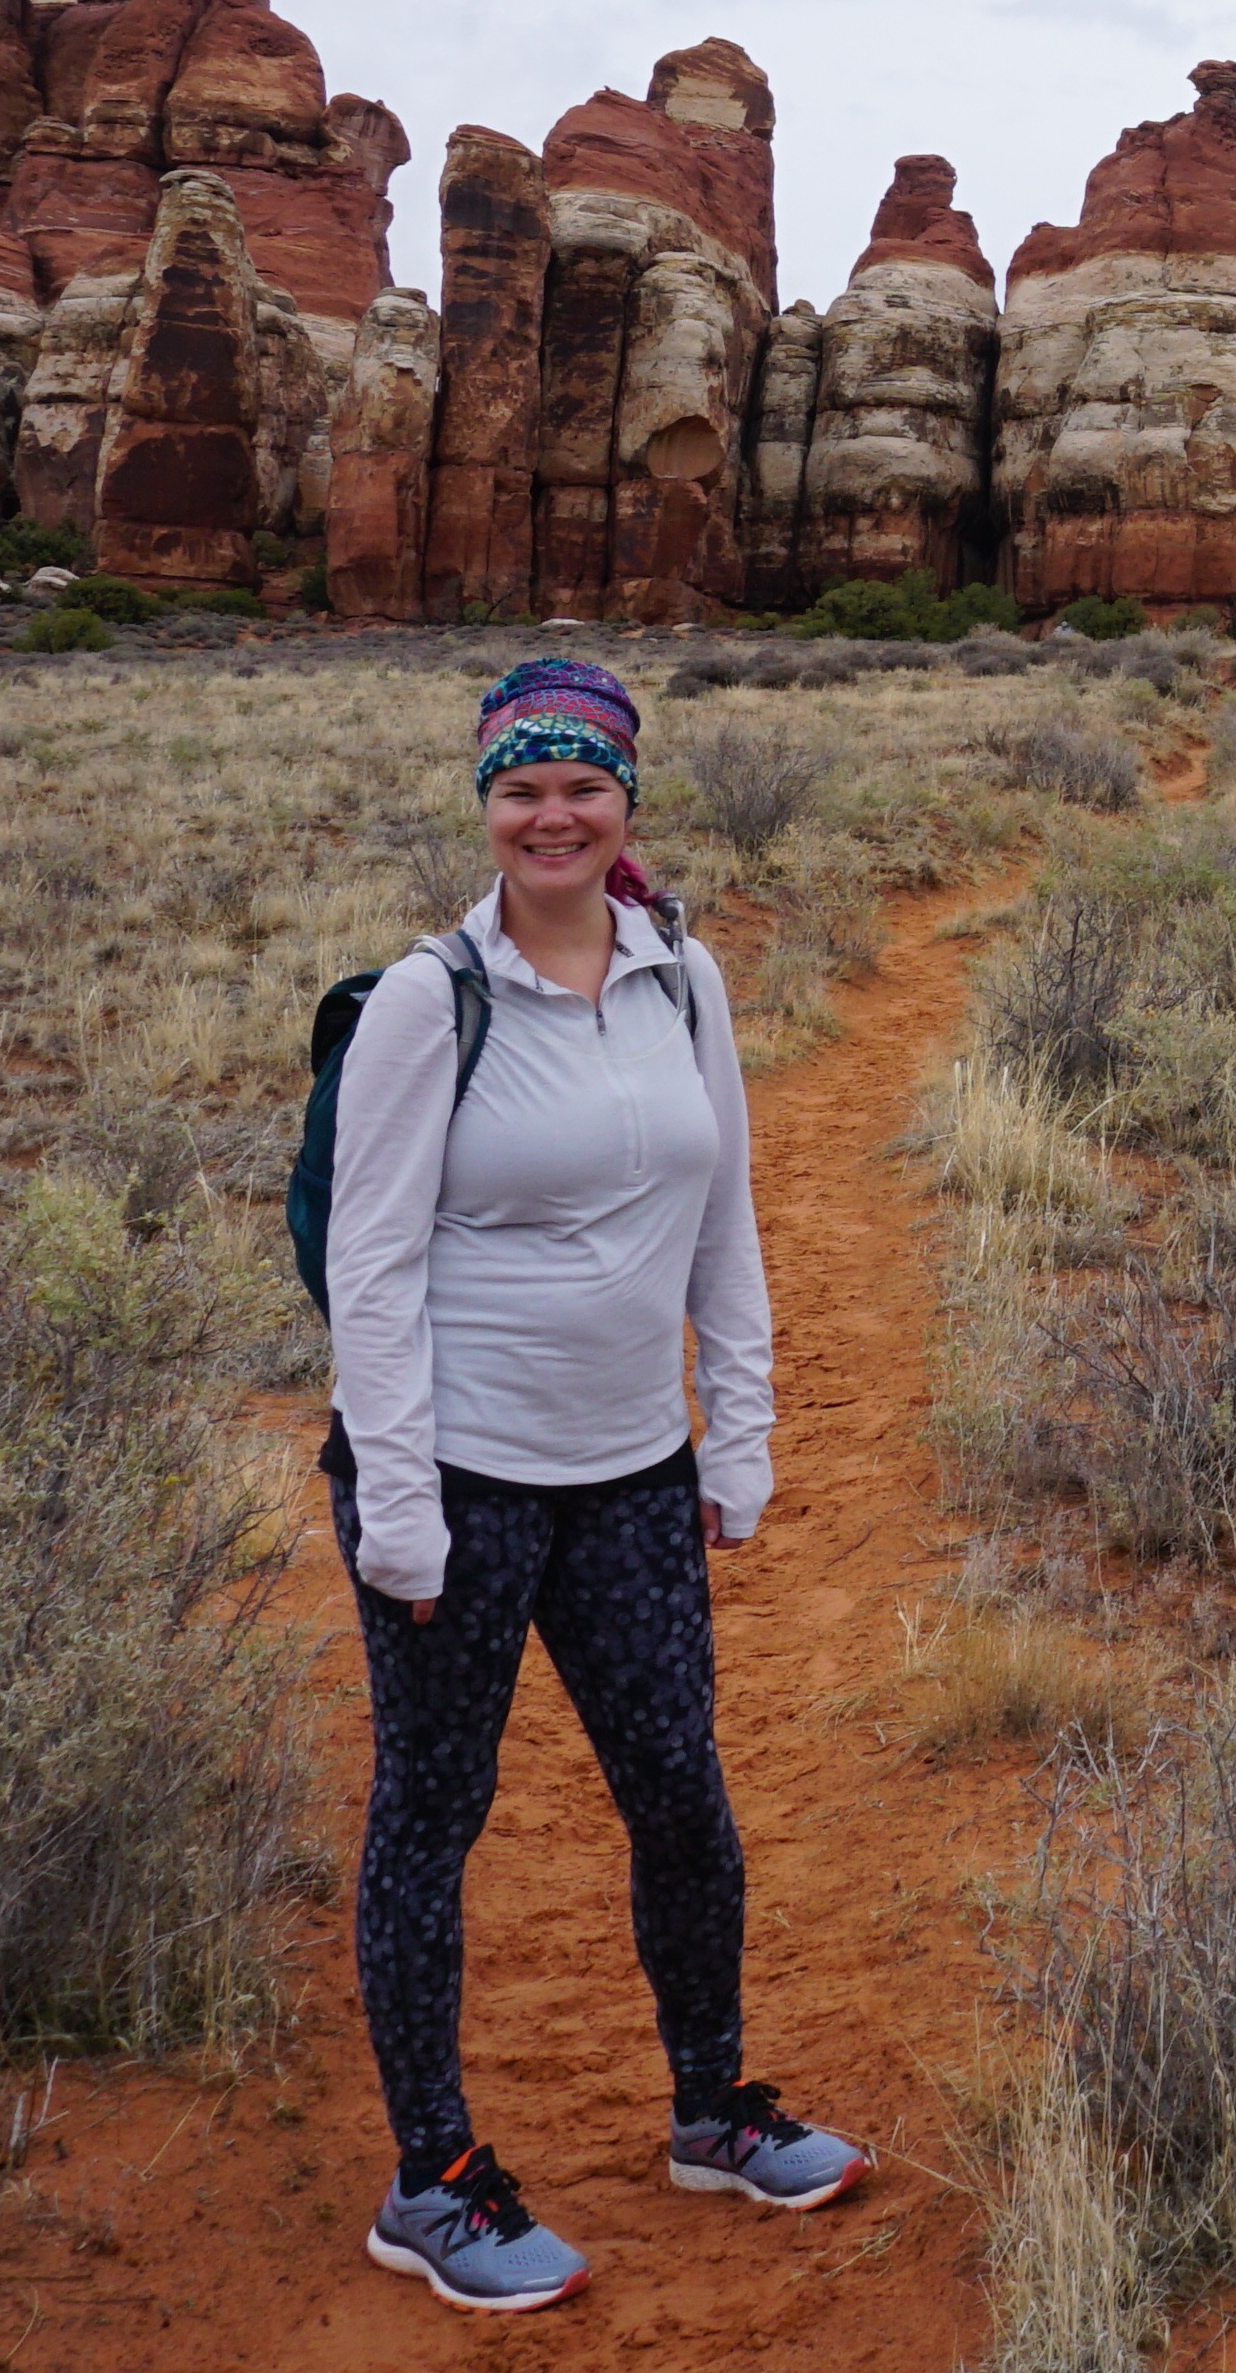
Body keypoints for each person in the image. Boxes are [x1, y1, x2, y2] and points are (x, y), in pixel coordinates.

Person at [321, 654, 864, 2312]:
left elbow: (726, 1222)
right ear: (485, 804)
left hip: (635, 1475)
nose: (552, 815)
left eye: (582, 787)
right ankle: (434, 2180)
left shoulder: (680, 974)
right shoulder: (434, 997)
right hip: (461, 1484)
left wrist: (745, 1430)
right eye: (521, 789)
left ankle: (711, 2109)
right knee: (432, 1816)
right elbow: (374, 1259)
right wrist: (399, 1503)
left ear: (626, 798)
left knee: (681, 1797)